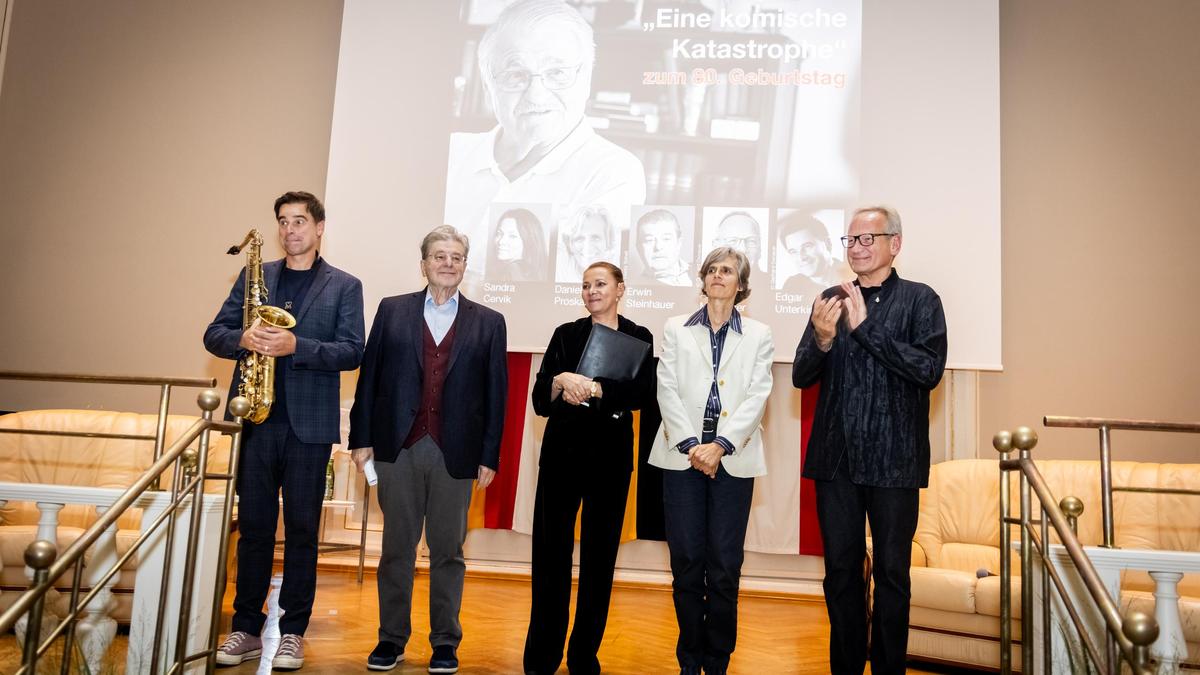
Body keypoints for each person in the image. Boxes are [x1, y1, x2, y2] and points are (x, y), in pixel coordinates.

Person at [205, 191, 365, 670]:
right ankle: (245, 629)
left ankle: (292, 630)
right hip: (256, 420)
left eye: (300, 221)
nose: (290, 229)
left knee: (300, 531)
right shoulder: (256, 277)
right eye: (283, 221)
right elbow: (214, 333)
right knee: (253, 529)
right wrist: (242, 338)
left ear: (319, 228)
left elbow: (353, 350)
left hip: (309, 427)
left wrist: (297, 345)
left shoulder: (345, 285)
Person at [791, 206, 948, 675]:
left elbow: (928, 370)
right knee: (840, 574)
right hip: (835, 461)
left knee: (892, 577)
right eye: (851, 241)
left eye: (867, 239)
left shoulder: (922, 301)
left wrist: (866, 330)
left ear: (894, 244)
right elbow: (801, 376)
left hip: (894, 461)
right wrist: (821, 339)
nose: (857, 248)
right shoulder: (830, 299)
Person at [348, 225, 508, 674]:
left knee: (448, 551)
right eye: (440, 255)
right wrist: (361, 438)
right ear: (424, 264)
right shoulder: (392, 310)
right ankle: (391, 639)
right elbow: (370, 378)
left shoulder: (489, 322)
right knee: (396, 548)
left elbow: (497, 396)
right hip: (397, 448)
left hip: (455, 454)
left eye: (457, 256)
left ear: (464, 265)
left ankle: (444, 642)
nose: (448, 263)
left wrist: (489, 456)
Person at [523, 262, 655, 675]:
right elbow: (540, 399)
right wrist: (561, 380)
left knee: (599, 562)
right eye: (585, 285)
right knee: (550, 558)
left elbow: (641, 394)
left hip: (610, 464)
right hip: (561, 458)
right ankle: (542, 657)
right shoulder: (566, 333)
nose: (591, 291)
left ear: (620, 289)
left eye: (600, 284)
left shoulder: (639, 336)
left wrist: (595, 388)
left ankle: (584, 656)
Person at [649, 247, 774, 675]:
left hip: (732, 461)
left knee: (723, 566)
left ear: (741, 285)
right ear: (703, 281)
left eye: (728, 271)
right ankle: (689, 659)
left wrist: (719, 444)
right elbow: (666, 388)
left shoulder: (759, 334)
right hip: (680, 458)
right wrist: (691, 445)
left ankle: (718, 660)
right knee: (686, 564)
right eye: (712, 270)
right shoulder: (675, 328)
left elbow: (758, 395)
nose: (719, 276)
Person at [444, 0, 645, 249]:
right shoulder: (449, 151)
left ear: (587, 79)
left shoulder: (614, 172)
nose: (536, 96)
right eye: (516, 75)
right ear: (488, 87)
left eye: (557, 73)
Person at [777, 211, 840, 296]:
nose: (801, 257)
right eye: (793, 251)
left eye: (807, 246)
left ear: (827, 244)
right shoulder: (792, 285)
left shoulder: (852, 277)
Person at [558, 205, 619, 282]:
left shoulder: (618, 272)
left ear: (608, 242)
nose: (588, 247)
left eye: (595, 238)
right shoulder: (561, 268)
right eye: (579, 239)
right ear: (571, 244)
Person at [486, 207, 549, 282]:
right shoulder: (531, 272)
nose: (501, 241)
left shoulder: (512, 271)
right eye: (499, 233)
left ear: (529, 241)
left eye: (512, 236)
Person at [633, 209, 693, 287]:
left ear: (679, 243)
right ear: (638, 247)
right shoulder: (637, 289)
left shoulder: (700, 270)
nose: (658, 247)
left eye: (666, 239)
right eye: (649, 240)